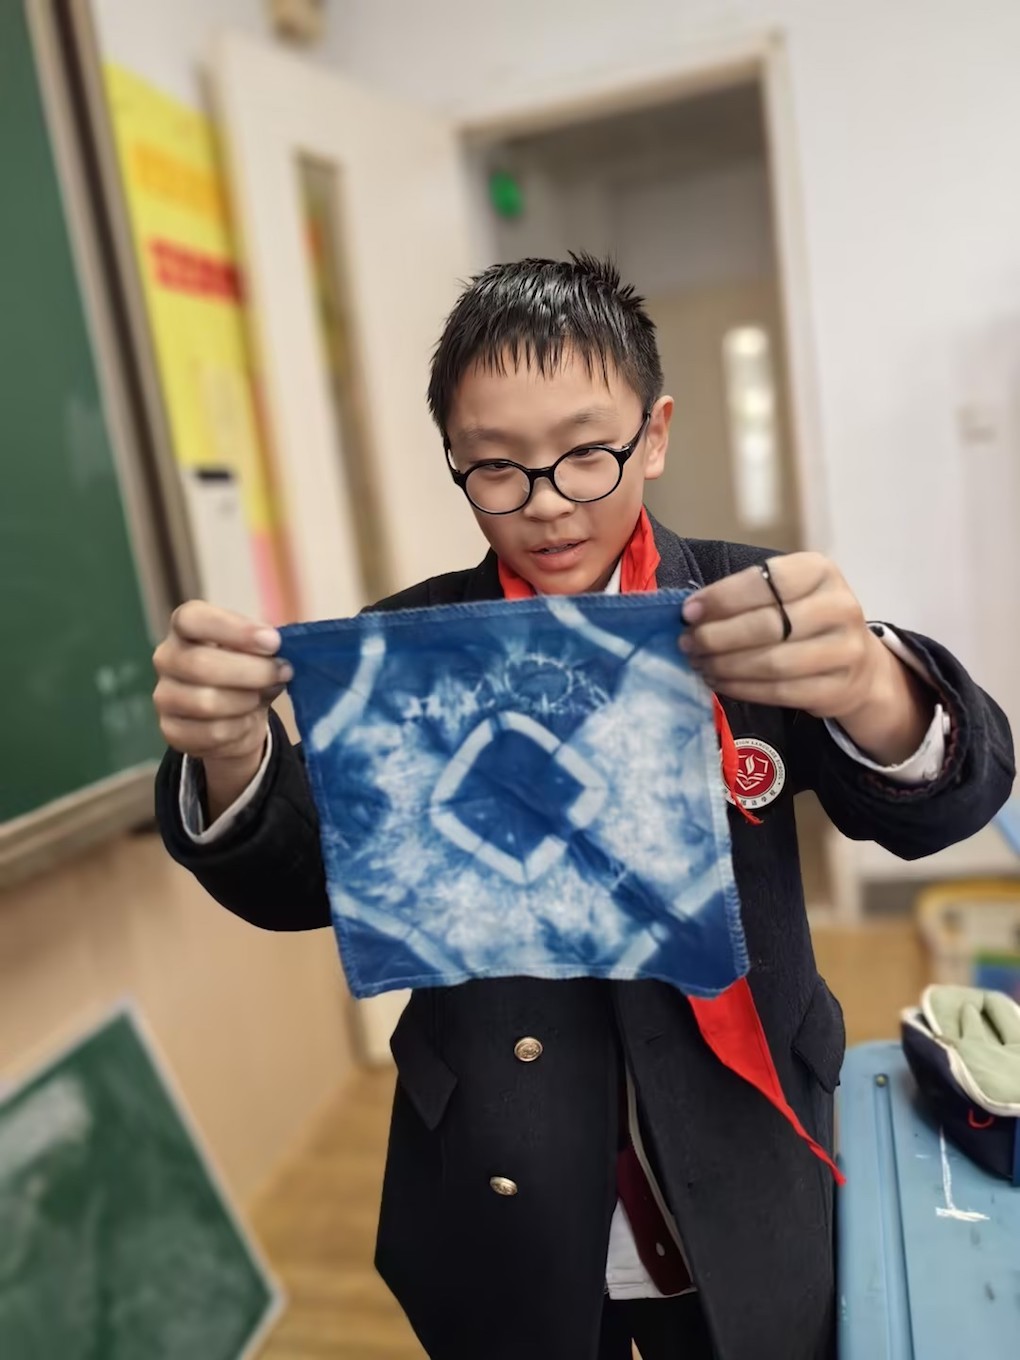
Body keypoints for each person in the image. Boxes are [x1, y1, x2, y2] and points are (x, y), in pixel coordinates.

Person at [152, 255, 1014, 1360]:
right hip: (500, 1181)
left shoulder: (748, 613)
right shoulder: (410, 651)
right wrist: (233, 756)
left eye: (586, 453)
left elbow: (944, 806)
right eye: (496, 467)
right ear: (454, 462)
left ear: (654, 434)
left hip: (749, 1161)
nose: (549, 500)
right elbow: (303, 881)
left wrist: (876, 687)